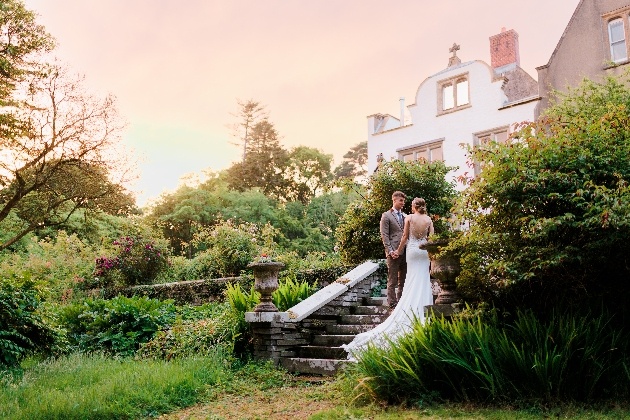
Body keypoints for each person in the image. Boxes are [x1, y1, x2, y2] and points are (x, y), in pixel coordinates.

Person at [343, 197, 434, 358]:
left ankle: (408, 308)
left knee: (411, 280)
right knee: (422, 280)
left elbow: (405, 237)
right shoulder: (428, 219)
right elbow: (431, 239)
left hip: (412, 252)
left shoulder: (409, 218)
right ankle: (422, 311)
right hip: (424, 253)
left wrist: (399, 251)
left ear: (414, 206)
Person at [380, 191, 408, 309]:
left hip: (406, 251)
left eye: (403, 201)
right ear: (394, 200)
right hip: (393, 252)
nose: (403, 203)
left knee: (403, 278)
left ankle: (401, 300)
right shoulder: (386, 215)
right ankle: (391, 302)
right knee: (392, 279)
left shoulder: (405, 216)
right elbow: (384, 234)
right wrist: (390, 250)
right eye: (401, 200)